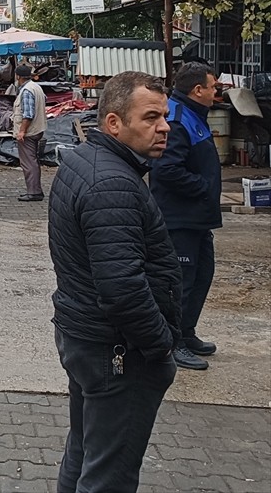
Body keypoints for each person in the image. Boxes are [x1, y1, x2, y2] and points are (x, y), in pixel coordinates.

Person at [48, 70, 180, 493]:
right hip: (117, 350)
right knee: (109, 475)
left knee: (85, 450)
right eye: (151, 118)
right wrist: (160, 345)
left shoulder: (87, 161)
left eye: (165, 116)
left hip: (87, 337)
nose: (164, 127)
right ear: (114, 123)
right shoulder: (112, 184)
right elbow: (122, 288)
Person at [149, 62, 224, 372]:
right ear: (198, 90)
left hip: (197, 218)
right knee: (180, 283)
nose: (216, 91)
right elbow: (166, 169)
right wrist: (203, 188)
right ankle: (173, 341)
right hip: (180, 218)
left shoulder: (194, 114)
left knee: (202, 276)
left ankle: (187, 332)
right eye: (213, 86)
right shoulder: (178, 119)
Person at [13, 64, 48, 201]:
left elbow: (28, 114)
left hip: (29, 132)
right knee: (33, 160)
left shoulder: (27, 90)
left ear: (18, 76)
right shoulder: (36, 87)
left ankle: (33, 192)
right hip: (38, 128)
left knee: (28, 163)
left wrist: (22, 131)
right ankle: (36, 190)